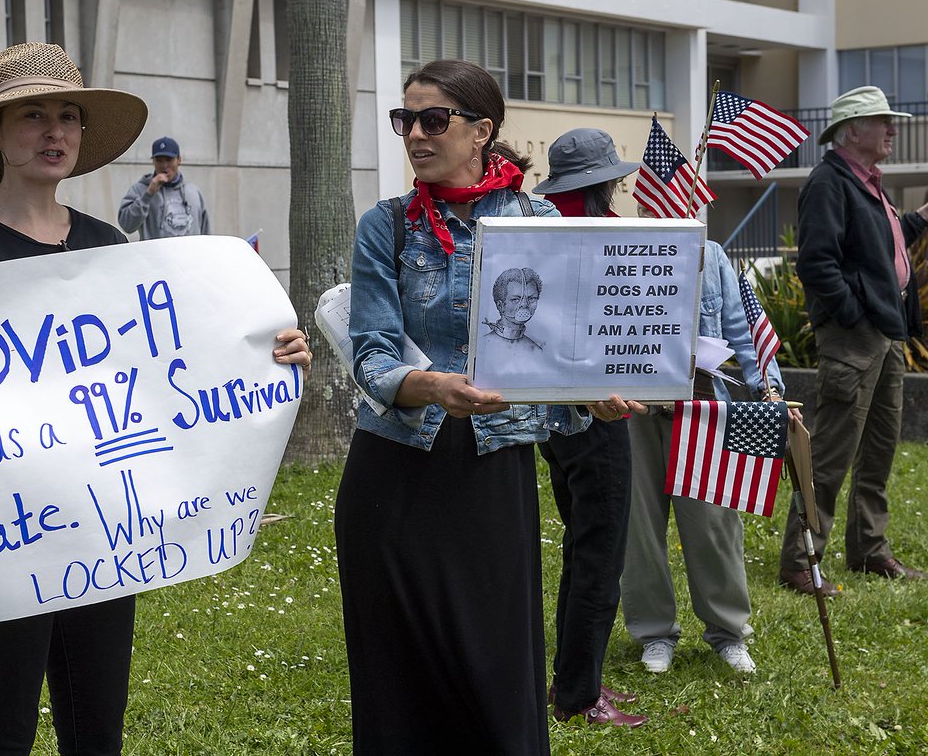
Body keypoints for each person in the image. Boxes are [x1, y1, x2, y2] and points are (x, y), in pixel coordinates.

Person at [0, 42, 311, 755]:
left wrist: (270, 352)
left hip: (102, 531)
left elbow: (180, 360)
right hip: (4, 533)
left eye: (68, 116)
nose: (55, 133)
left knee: (95, 728)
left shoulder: (109, 245)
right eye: (33, 116)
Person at [335, 60, 639, 754]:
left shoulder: (538, 221)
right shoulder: (385, 227)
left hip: (489, 475)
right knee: (396, 683)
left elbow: (565, 351)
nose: (414, 133)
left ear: (481, 131)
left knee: (497, 677)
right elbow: (372, 356)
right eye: (404, 119)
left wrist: (597, 397)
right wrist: (435, 386)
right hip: (393, 473)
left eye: (433, 119)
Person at [777, 86, 928, 596]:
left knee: (879, 449)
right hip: (856, 338)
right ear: (852, 131)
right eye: (884, 122)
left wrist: (921, 218)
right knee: (833, 452)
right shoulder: (828, 184)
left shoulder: (864, 183)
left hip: (884, 334)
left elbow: (880, 248)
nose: (893, 130)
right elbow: (816, 263)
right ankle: (800, 562)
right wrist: (856, 316)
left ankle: (869, 550)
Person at [620, 199, 794, 674]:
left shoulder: (713, 256)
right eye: (652, 201)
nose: (666, 209)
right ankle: (654, 633)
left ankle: (729, 632)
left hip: (703, 408)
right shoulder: (621, 252)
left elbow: (743, 328)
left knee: (715, 525)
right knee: (639, 529)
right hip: (636, 409)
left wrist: (769, 386)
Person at [531, 128, 647, 727]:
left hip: (556, 411)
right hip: (596, 410)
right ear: (603, 182)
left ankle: (576, 679)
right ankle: (579, 695)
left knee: (582, 545)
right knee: (599, 553)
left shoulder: (544, 226)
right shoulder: (599, 233)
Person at [117, 136, 210, 239]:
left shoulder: (193, 192)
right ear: (153, 161)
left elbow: (206, 234)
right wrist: (148, 195)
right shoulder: (140, 190)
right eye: (159, 160)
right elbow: (127, 226)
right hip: (154, 255)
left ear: (179, 160)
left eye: (169, 159)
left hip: (189, 255)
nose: (164, 165)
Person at [481, 266, 545, 353]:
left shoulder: (536, 351)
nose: (524, 305)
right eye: (516, 299)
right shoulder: (482, 345)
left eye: (531, 298)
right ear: (500, 305)